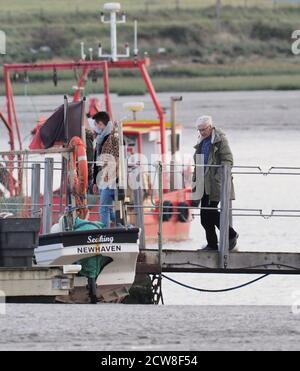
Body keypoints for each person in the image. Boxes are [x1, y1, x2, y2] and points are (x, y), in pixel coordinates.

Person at [193, 115, 239, 251]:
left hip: (217, 185)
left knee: (211, 213)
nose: (201, 132)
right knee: (204, 217)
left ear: (210, 127)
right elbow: (198, 164)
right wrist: (195, 184)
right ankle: (213, 244)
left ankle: (230, 235)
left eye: (204, 129)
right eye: (199, 130)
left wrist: (218, 177)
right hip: (203, 184)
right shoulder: (201, 141)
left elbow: (228, 160)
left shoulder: (220, 140)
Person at [92, 111, 117, 228]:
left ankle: (105, 234)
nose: (95, 127)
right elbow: (97, 161)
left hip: (109, 178)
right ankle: (126, 227)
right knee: (109, 209)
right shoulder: (100, 139)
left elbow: (117, 158)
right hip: (101, 179)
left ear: (101, 124)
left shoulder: (113, 138)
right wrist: (94, 181)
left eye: (96, 124)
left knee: (103, 208)